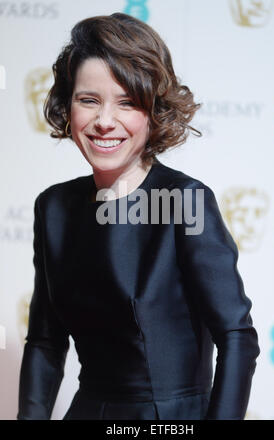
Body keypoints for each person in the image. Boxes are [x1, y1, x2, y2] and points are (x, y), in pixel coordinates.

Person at [17, 12, 260, 420]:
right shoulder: (54, 207)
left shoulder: (186, 200)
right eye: (88, 100)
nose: (105, 121)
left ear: (153, 111)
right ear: (67, 106)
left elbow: (237, 336)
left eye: (127, 102)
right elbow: (45, 340)